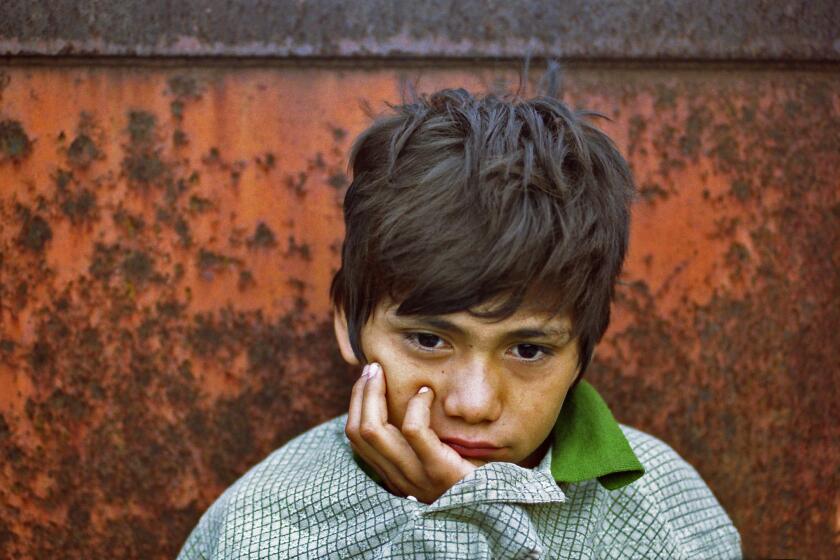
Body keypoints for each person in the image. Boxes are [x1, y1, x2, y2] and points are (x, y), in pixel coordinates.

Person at [177, 69, 741, 559]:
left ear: (582, 352)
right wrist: (462, 522)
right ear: (350, 324)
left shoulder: (667, 509)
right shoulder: (263, 529)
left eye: (528, 350)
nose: (472, 404)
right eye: (428, 339)